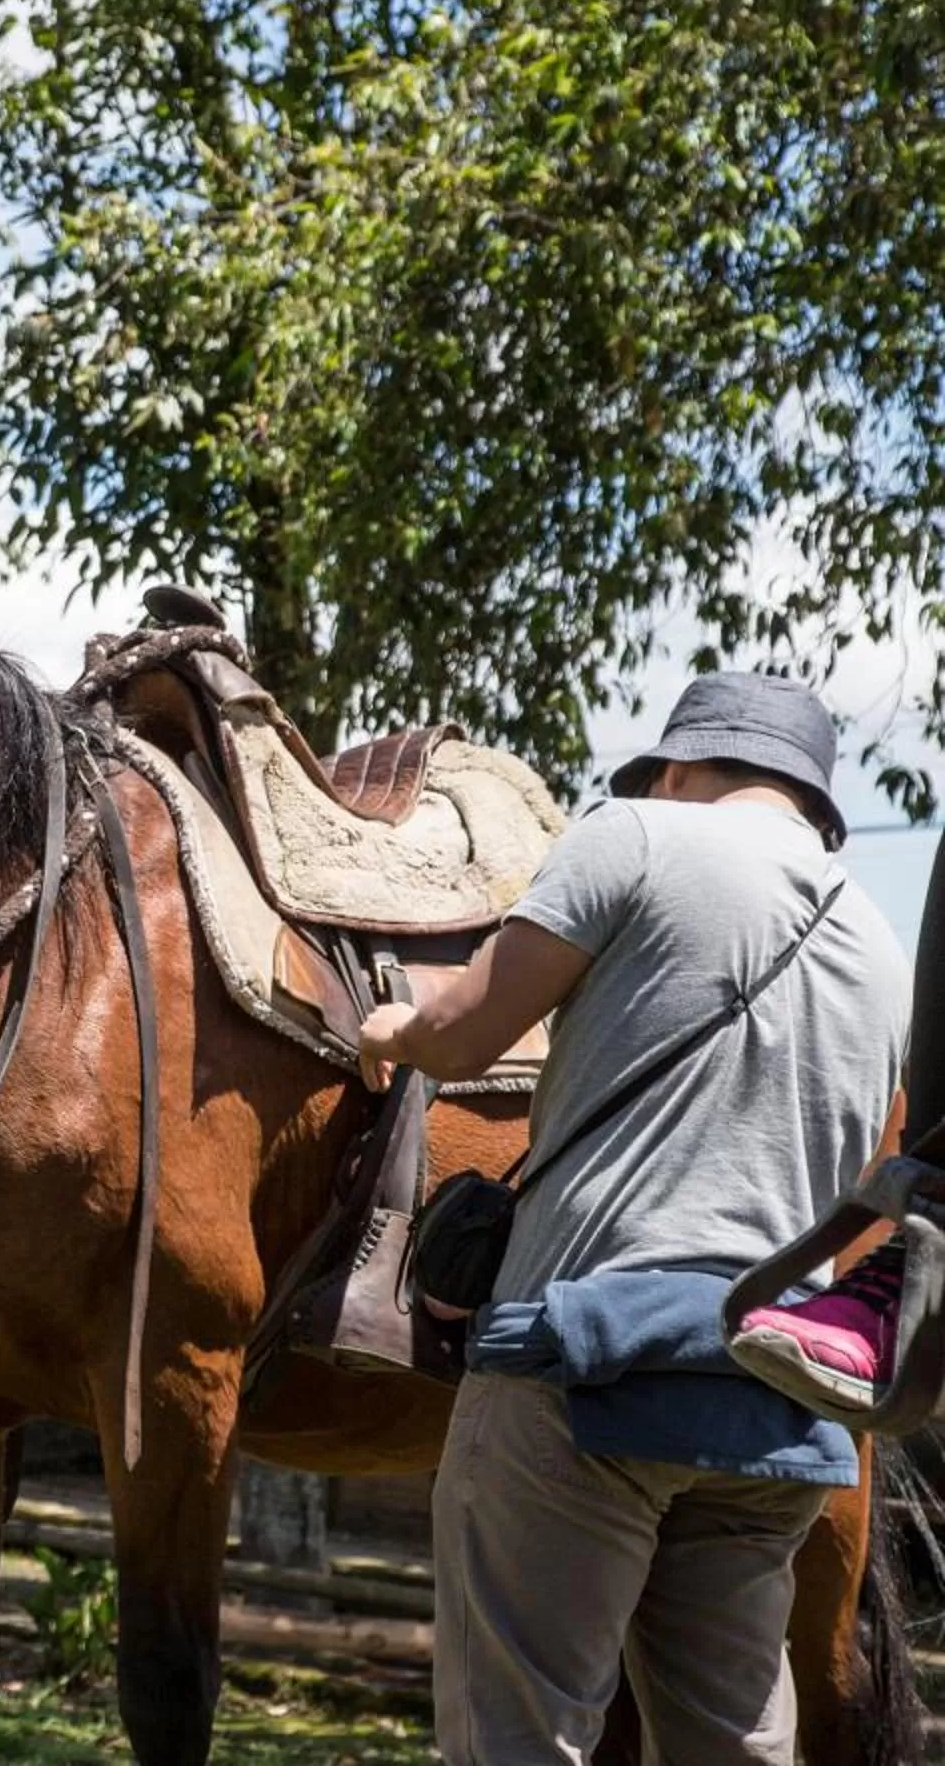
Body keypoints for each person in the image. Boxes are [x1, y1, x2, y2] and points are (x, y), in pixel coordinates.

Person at [358, 671, 908, 1765]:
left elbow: (467, 1034)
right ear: (813, 800)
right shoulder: (882, 948)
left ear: (682, 766)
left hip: (582, 1367)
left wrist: (396, 1028)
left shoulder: (639, 834)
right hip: (775, 1402)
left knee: (523, 1734)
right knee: (733, 1745)